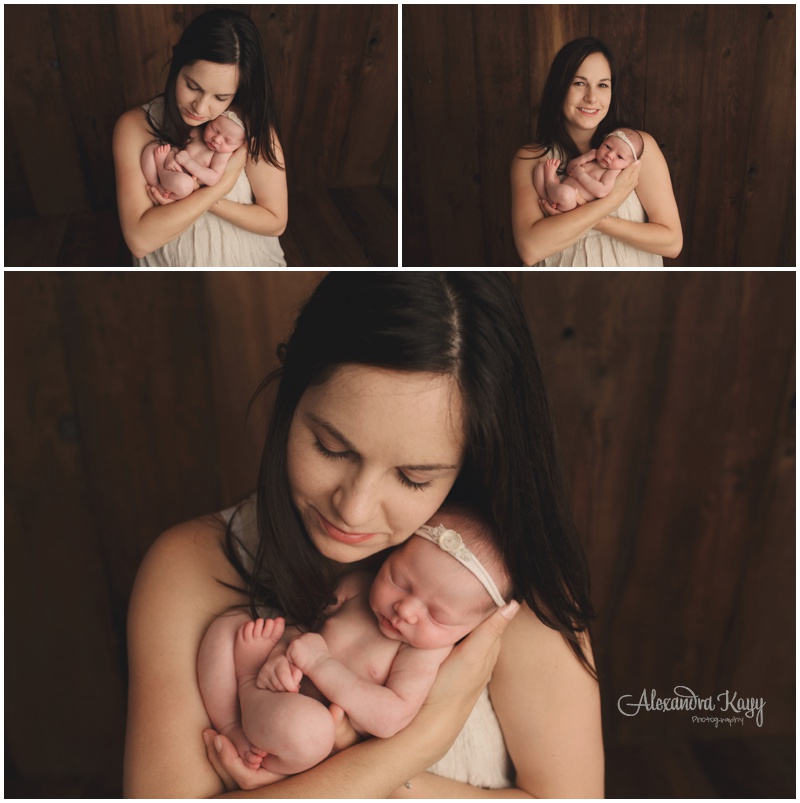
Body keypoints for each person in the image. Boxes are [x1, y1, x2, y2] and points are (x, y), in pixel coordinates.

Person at [124, 273, 604, 798]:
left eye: (413, 477)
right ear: (292, 399)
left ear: (470, 464)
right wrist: (416, 742)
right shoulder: (192, 569)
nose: (352, 509)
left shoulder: (504, 594)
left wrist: (353, 775)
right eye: (332, 448)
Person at [197, 506, 512, 783]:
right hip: (281, 684)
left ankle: (249, 691)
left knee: (312, 730)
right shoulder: (358, 586)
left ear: (469, 629)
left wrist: (320, 665)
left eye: (437, 615)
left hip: (304, 726)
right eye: (399, 581)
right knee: (230, 626)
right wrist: (280, 655)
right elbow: (306, 629)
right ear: (392, 556)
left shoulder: (422, 654)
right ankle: (232, 723)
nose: (406, 610)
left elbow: (390, 716)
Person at [113, 8, 287, 267]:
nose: (200, 108)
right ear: (177, 65)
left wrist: (210, 200)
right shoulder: (134, 127)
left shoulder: (244, 131)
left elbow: (275, 222)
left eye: (221, 97)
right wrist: (221, 186)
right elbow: (140, 240)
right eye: (193, 86)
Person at [511, 36, 682, 267]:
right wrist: (610, 202)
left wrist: (599, 219)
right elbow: (530, 249)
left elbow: (671, 243)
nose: (592, 98)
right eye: (579, 83)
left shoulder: (638, 150)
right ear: (560, 87)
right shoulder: (532, 158)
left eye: (603, 85)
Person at [140, 110, 248, 201]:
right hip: (170, 163)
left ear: (238, 146)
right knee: (152, 148)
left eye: (228, 141)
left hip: (180, 179)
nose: (217, 139)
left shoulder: (221, 155)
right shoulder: (197, 132)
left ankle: (161, 172)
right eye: (214, 129)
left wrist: (187, 162)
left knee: (185, 185)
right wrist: (171, 155)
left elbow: (213, 178)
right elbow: (178, 146)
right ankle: (155, 182)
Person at [534, 128, 643, 212]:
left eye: (619, 157)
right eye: (608, 147)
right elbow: (569, 169)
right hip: (560, 188)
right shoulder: (594, 158)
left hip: (570, 203)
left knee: (567, 194)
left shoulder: (612, 172)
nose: (609, 155)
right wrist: (585, 157)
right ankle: (546, 197)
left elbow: (602, 191)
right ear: (603, 142)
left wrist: (580, 175)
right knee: (541, 166)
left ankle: (549, 183)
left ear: (628, 164)